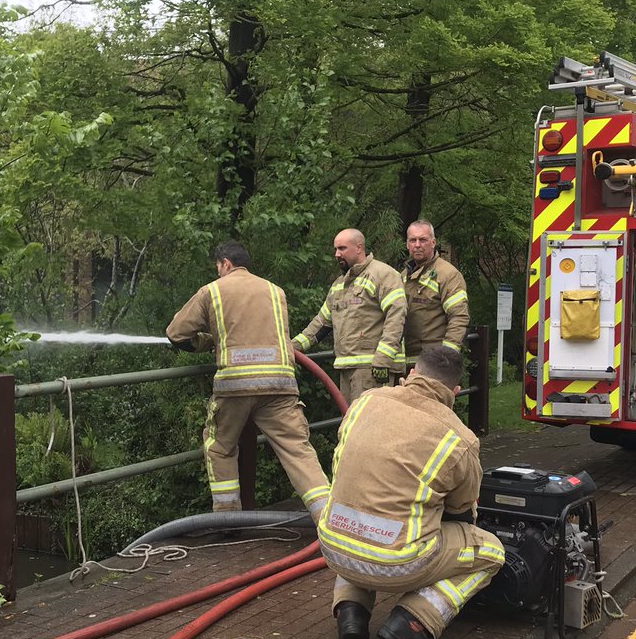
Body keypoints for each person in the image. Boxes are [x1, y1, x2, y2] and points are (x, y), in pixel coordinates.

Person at [315, 347, 505, 639]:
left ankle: (352, 613)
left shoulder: (365, 403)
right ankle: (415, 621)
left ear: (413, 373)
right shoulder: (459, 438)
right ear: (455, 392)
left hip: (333, 546)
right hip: (396, 562)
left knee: (366, 509)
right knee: (491, 552)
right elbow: (461, 512)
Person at [166, 241, 331, 519]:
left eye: (218, 267)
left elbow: (176, 333)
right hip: (280, 384)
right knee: (298, 452)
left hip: (235, 387)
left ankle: (228, 519)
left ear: (225, 264)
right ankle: (328, 518)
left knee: (219, 447)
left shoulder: (212, 291)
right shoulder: (274, 290)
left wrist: (204, 343)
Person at [292, 229, 407, 403]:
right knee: (351, 424)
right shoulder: (340, 285)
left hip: (373, 369)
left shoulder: (383, 274)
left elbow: (397, 317)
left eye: (342, 248)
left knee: (368, 425)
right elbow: (320, 324)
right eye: (336, 249)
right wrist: (290, 348)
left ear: (359, 247)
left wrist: (383, 358)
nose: (337, 254)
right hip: (347, 366)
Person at [402, 220, 470, 370]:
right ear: (407, 244)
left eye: (423, 240)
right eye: (413, 240)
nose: (417, 245)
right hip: (406, 364)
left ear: (433, 242)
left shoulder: (448, 275)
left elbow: (459, 317)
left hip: (434, 364)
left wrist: (446, 357)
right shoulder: (403, 276)